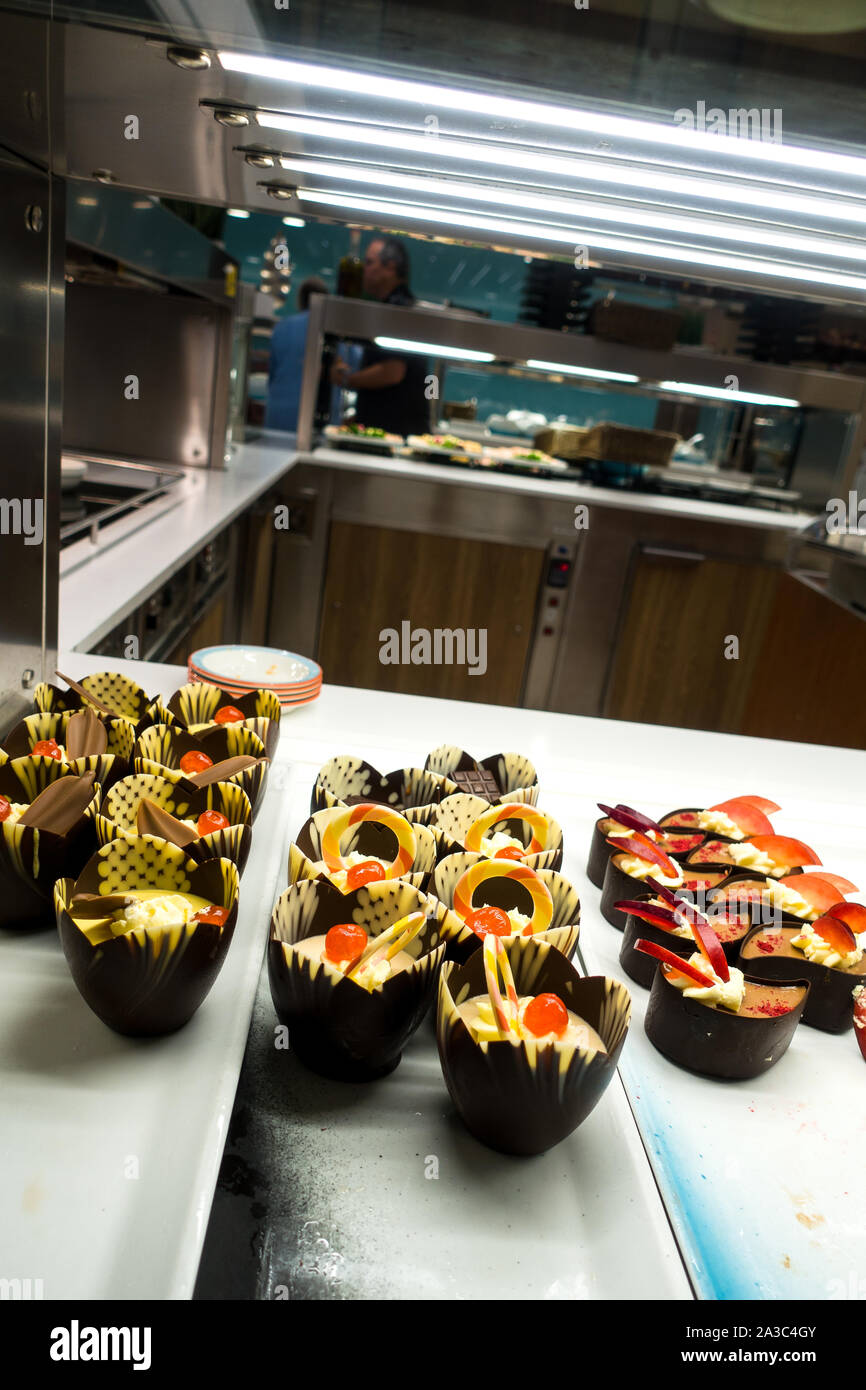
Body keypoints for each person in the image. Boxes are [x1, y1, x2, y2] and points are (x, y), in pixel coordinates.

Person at [329, 237, 430, 437]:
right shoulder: (394, 307)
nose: (363, 270)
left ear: (390, 267)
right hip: (392, 432)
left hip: (396, 434)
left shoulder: (398, 309)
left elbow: (393, 372)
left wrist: (346, 379)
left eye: (369, 263)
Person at [265, 275, 328, 433]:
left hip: (278, 412)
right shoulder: (329, 330)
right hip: (316, 416)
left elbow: (272, 371)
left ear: (300, 300)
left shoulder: (283, 327)